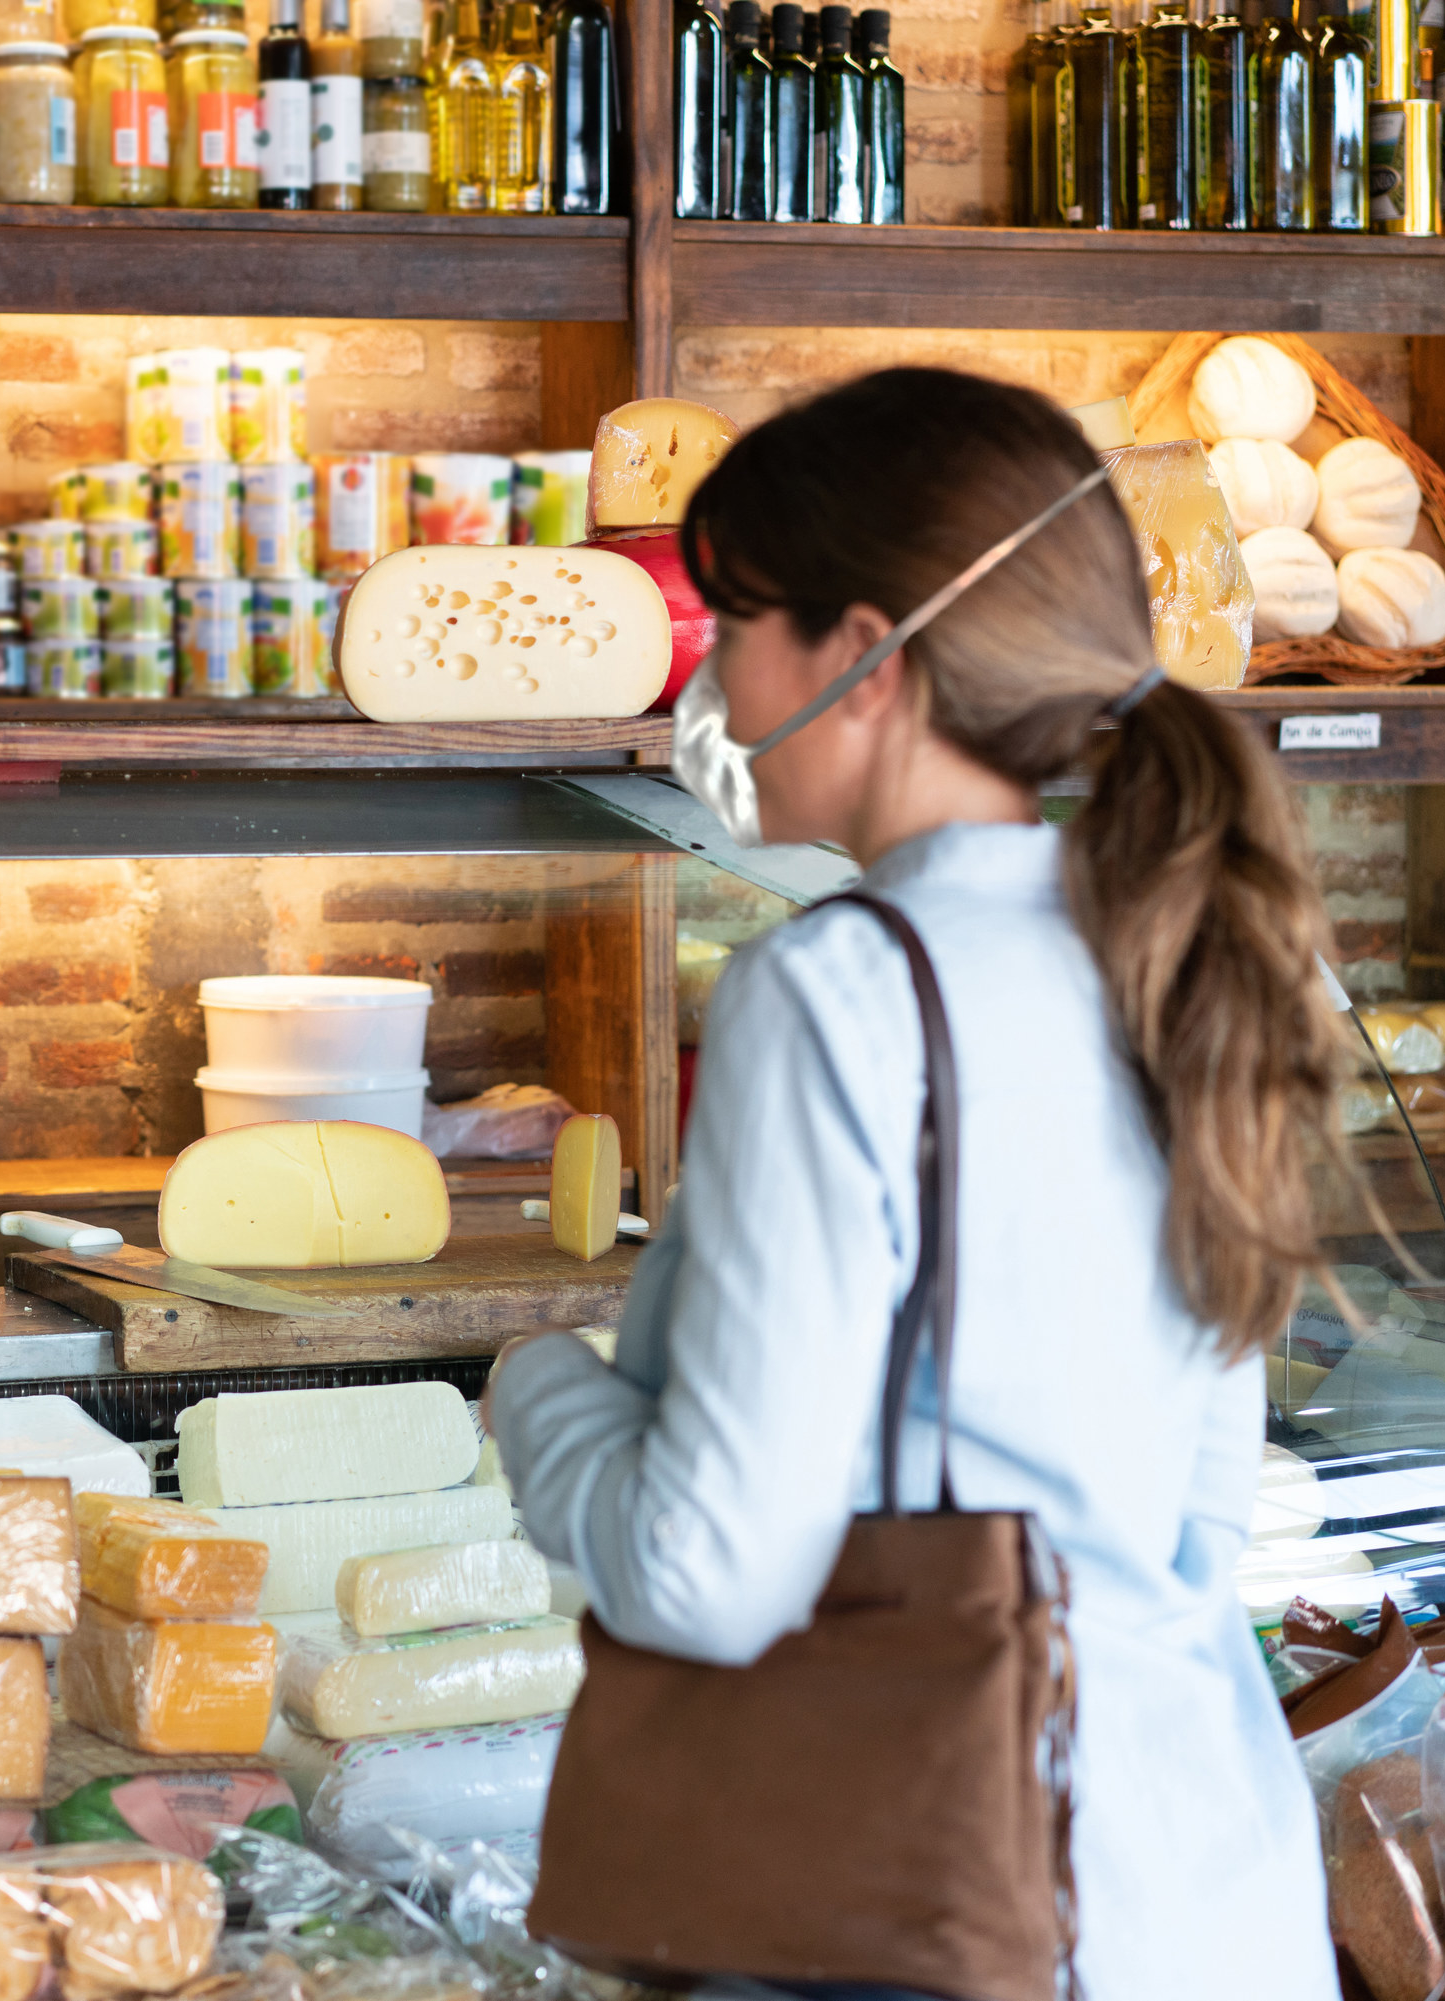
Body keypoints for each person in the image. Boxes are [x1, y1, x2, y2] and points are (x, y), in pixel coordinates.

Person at [486, 368, 1338, 1998]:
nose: (713, 678)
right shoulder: (1182, 945)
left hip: (938, 1904)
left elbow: (703, 1575)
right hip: (1205, 1897)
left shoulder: (847, 988)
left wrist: (534, 1388)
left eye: (735, 621)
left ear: (863, 659)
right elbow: (1195, 1523)